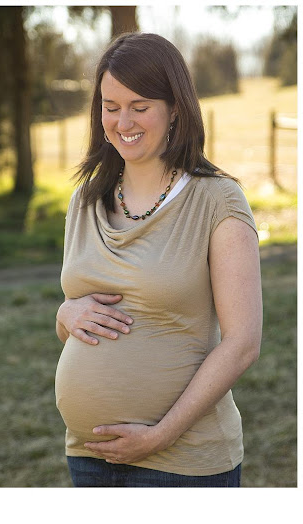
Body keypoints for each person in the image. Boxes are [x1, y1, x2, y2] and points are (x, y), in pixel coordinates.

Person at [54, 33, 262, 487]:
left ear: (175, 108)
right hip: (88, 457)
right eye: (110, 106)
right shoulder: (85, 201)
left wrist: (159, 435)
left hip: (182, 462)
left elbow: (243, 342)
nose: (122, 120)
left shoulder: (218, 200)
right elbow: (77, 320)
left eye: (139, 106)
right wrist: (65, 313)